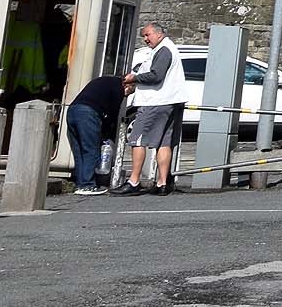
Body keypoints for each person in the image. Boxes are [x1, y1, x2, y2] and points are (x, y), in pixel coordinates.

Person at [126, 21, 189, 195]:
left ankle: (133, 181)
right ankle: (162, 183)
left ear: (159, 34)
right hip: (170, 101)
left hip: (155, 101)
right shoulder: (166, 48)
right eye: (144, 36)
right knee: (164, 142)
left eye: (147, 35)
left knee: (137, 139)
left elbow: (156, 76)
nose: (145, 39)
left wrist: (134, 78)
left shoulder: (164, 50)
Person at [65, 69, 123, 195]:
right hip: (88, 114)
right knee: (91, 150)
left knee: (79, 150)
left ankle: (81, 184)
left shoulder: (102, 81)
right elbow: (113, 113)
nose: (127, 94)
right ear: (128, 84)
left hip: (72, 110)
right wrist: (108, 134)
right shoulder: (119, 86)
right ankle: (88, 185)